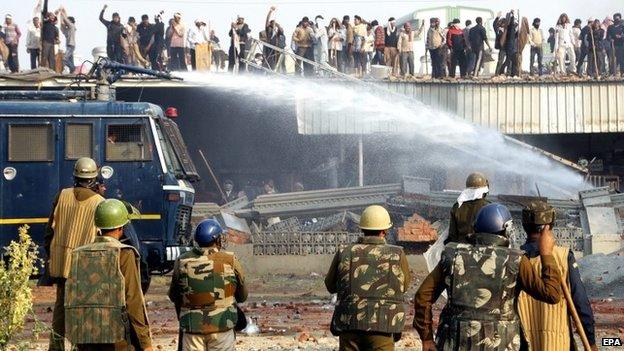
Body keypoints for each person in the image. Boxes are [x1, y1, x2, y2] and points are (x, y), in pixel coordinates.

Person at [414, 203, 562, 351]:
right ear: (507, 229)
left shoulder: (452, 255)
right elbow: (551, 294)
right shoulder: (516, 261)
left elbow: (422, 296)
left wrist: (426, 338)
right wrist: (546, 253)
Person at [64, 199, 153, 351]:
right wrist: (145, 343)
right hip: (117, 338)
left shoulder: (78, 253)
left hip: (85, 335)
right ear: (121, 228)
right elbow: (133, 300)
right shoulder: (123, 252)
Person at [325, 205, 410, 351]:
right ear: (384, 231)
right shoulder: (397, 254)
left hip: (350, 324)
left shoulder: (344, 252)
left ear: (362, 229)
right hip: (383, 326)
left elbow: (330, 285)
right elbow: (404, 286)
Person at [517, 200, 598, 351]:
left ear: (524, 226)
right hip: (559, 345)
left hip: (525, 345)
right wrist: (591, 342)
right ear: (549, 226)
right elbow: (581, 304)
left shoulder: (514, 260)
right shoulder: (563, 257)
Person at [45, 157, 105, 351]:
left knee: (60, 312)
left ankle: (55, 348)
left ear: (75, 176)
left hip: (62, 266)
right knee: (84, 315)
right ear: (94, 179)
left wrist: (53, 257)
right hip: (86, 270)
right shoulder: (100, 203)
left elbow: (49, 233)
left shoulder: (61, 195)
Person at [169, 219, 248, 351]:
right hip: (222, 328)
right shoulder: (230, 260)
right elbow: (242, 296)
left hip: (192, 329)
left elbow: (174, 295)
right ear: (217, 240)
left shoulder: (182, 260)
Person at [445, 172, 490, 244]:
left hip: (460, 249)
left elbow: (452, 235)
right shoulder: (488, 207)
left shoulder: (457, 206)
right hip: (480, 249)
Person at [58, 7, 76, 73]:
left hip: (71, 45)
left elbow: (66, 21)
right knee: (71, 60)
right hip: (68, 46)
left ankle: (73, 68)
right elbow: (62, 25)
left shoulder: (72, 26)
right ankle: (72, 71)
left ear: (70, 21)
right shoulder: (67, 30)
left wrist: (62, 12)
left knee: (64, 59)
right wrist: (60, 15)